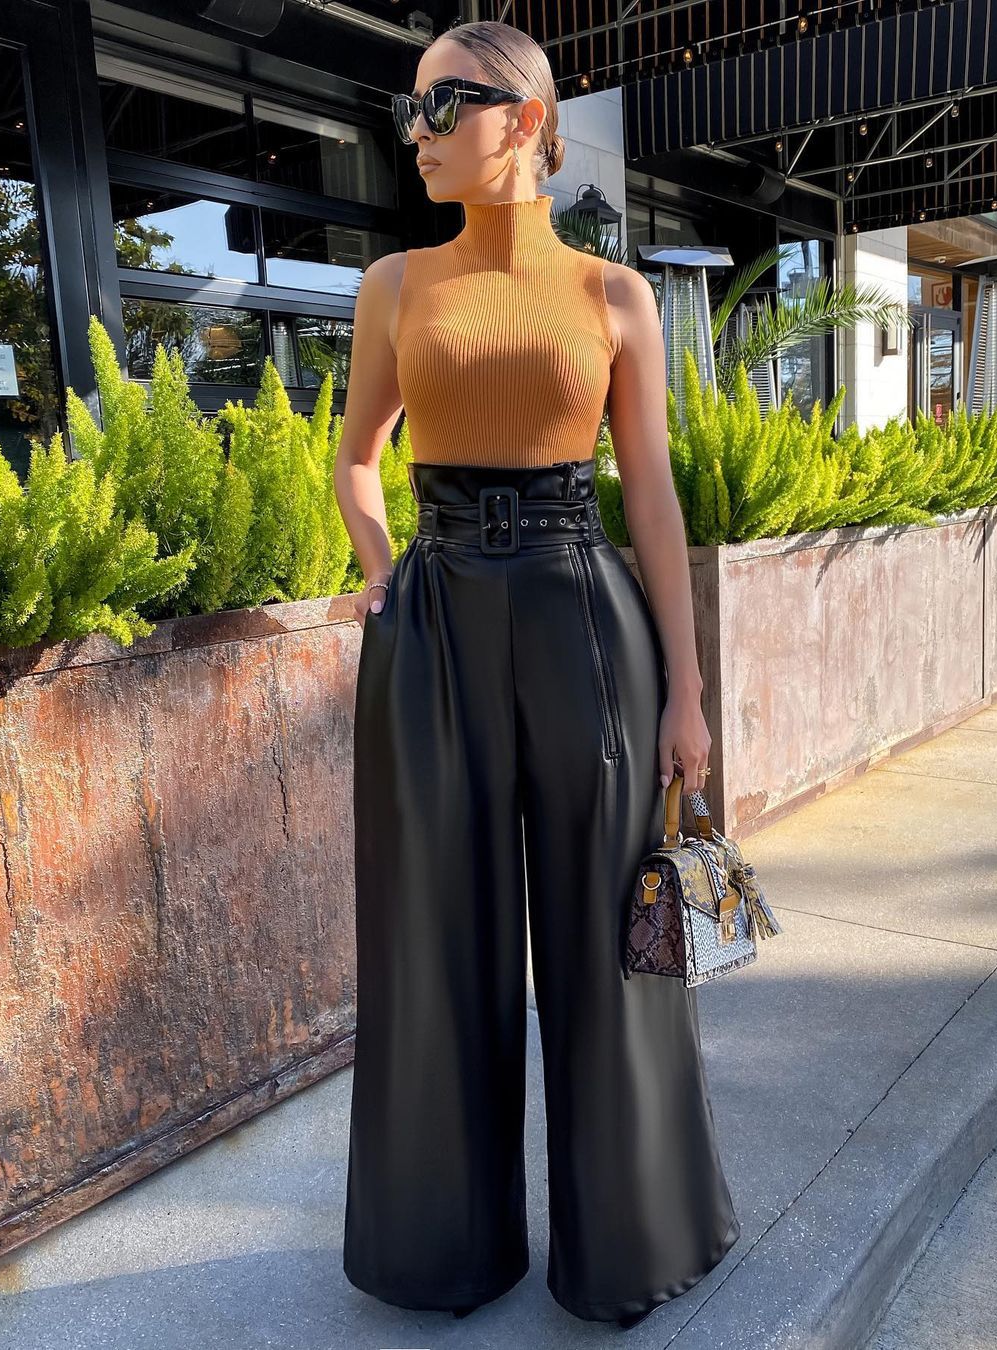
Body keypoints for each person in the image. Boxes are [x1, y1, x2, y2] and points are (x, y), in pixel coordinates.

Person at [333, 18, 740, 1331]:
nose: (419, 131)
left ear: (524, 118)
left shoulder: (616, 296)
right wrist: (379, 558)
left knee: (615, 946)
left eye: (444, 104)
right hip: (437, 624)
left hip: (585, 613)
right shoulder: (396, 283)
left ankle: (632, 1244)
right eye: (410, 109)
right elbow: (356, 455)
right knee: (433, 943)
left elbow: (655, 499)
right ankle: (440, 1253)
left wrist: (688, 693)